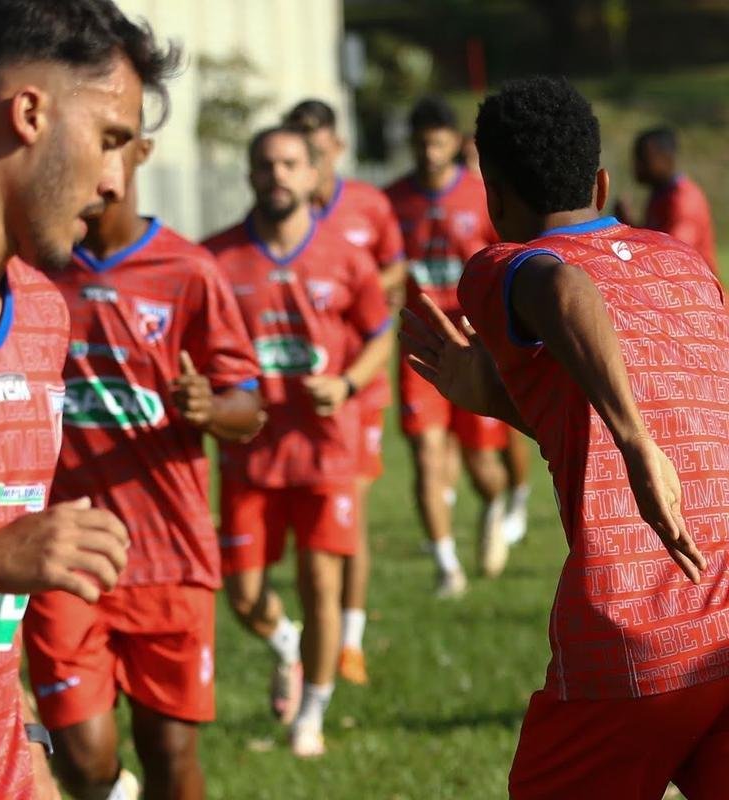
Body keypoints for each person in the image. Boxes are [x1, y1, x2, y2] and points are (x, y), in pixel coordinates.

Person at [400, 75, 729, 800]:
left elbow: (562, 288)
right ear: (603, 183)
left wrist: (636, 443)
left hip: (632, 646)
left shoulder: (501, 266)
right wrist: (499, 397)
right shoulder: (686, 265)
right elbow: (689, 406)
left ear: (493, 193)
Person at [0, 0, 180, 795]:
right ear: (30, 112)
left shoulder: (42, 315)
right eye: (109, 139)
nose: (116, 180)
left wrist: (28, 753)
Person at [23, 128, 262, 799]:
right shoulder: (33, 269)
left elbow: (250, 404)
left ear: (141, 153)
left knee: (169, 751)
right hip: (65, 550)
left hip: (170, 554)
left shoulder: (189, 271)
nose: (95, 169)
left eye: (111, 146)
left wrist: (209, 407)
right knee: (82, 756)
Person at [204, 126, 392, 757]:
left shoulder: (345, 254)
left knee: (321, 584)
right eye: (265, 164)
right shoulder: (217, 259)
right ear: (250, 174)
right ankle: (286, 645)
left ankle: (310, 715)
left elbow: (380, 334)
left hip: (325, 452)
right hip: (249, 454)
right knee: (245, 596)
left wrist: (346, 384)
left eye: (290, 163)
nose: (277, 174)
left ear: (313, 174)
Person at [385, 96, 530, 595]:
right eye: (421, 142)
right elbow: (378, 266)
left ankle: (496, 504)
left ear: (454, 143)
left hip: (475, 343)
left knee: (479, 464)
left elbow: (513, 255)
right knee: (427, 454)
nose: (429, 151)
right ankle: (448, 568)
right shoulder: (392, 201)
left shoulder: (479, 195)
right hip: (421, 344)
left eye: (438, 141)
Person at [283, 98, 405, 686]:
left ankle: (349, 640)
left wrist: (350, 286)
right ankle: (304, 634)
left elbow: (395, 272)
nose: (310, 150)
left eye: (318, 139)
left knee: (347, 511)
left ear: (335, 145)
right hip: (300, 391)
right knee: (308, 537)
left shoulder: (368, 205)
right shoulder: (280, 208)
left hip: (361, 377)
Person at [615, 126, 719, 279]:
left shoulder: (683, 200)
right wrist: (627, 224)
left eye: (642, 159)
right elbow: (655, 241)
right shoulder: (660, 194)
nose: (636, 166)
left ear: (664, 158)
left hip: (696, 292)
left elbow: (674, 253)